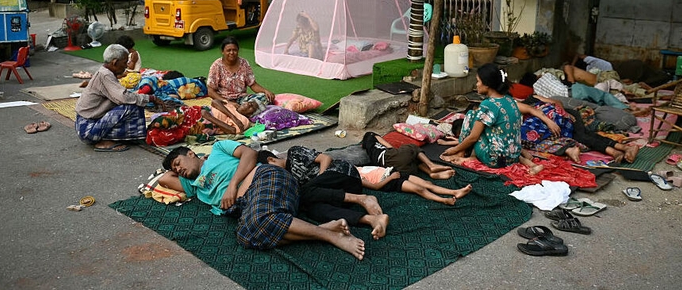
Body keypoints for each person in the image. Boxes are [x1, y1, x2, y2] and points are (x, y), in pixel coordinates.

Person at [158, 143, 365, 259]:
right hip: (249, 204)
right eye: (176, 170)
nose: (178, 170)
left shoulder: (218, 150)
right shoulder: (194, 186)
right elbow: (164, 179)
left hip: (266, 177)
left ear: (191, 153)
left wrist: (233, 186)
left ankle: (332, 237)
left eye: (178, 163)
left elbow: (250, 152)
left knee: (258, 219)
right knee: (246, 236)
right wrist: (173, 168)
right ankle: (326, 231)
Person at [257, 147, 390, 240]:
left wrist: (318, 181)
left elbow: (325, 158)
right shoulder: (286, 179)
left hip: (341, 173)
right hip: (338, 192)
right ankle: (371, 219)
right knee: (313, 210)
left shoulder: (294, 153)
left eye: (269, 169)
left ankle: (363, 199)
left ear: (271, 159)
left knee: (303, 193)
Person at [440, 64, 544, 173]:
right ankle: (467, 154)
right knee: (482, 124)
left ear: (487, 84)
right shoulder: (509, 100)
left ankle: (461, 154)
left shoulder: (488, 105)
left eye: (478, 81)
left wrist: (455, 149)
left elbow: (473, 138)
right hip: (513, 156)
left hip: (495, 159)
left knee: (471, 115)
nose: (476, 85)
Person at [75, 44, 166, 152]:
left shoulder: (105, 72)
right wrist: (150, 98)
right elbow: (124, 97)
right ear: (114, 62)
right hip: (87, 131)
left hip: (85, 126)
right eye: (124, 63)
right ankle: (104, 141)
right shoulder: (105, 75)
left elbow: (122, 95)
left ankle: (131, 136)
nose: (126, 66)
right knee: (132, 106)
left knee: (134, 101)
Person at [207, 36, 275, 107]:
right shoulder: (217, 66)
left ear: (238, 51)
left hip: (242, 99)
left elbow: (252, 84)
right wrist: (227, 102)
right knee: (217, 104)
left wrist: (265, 91)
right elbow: (210, 90)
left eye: (234, 50)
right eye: (228, 50)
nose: (232, 53)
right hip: (224, 100)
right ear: (223, 52)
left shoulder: (244, 63)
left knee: (265, 98)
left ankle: (243, 109)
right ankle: (243, 111)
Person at [355, 165, 472, 206]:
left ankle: (455, 191)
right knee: (419, 189)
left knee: (427, 184)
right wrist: (391, 178)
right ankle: (443, 200)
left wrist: (392, 173)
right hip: (388, 180)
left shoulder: (357, 167)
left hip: (392, 172)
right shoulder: (357, 177)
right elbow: (375, 187)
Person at [361, 132, 456, 179]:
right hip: (387, 156)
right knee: (412, 148)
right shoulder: (370, 135)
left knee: (413, 160)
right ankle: (431, 166)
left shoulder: (370, 150)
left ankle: (431, 173)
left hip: (394, 169)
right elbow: (389, 146)